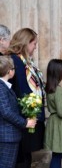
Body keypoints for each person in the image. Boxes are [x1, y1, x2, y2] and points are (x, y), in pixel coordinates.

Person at [6, 28, 46, 168]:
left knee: (26, 156)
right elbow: (21, 89)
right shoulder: (15, 60)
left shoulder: (25, 61)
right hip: (23, 115)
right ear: (26, 42)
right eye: (34, 43)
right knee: (22, 158)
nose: (35, 47)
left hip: (30, 114)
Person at [0, 56, 36, 168]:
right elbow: (6, 112)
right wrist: (25, 123)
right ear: (9, 71)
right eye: (14, 69)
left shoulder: (5, 87)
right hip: (7, 137)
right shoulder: (1, 88)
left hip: (8, 136)